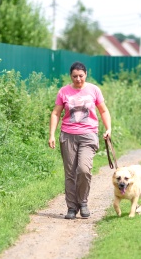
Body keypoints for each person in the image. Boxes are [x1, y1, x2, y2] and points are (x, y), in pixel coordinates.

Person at [48, 61, 112, 219]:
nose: (78, 79)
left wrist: (108, 128)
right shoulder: (64, 91)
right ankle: (71, 207)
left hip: (88, 135)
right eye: (75, 76)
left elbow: (103, 111)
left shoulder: (94, 90)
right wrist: (51, 134)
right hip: (67, 135)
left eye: (81, 76)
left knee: (83, 170)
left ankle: (82, 202)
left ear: (86, 75)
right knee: (70, 173)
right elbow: (56, 113)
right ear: (70, 76)